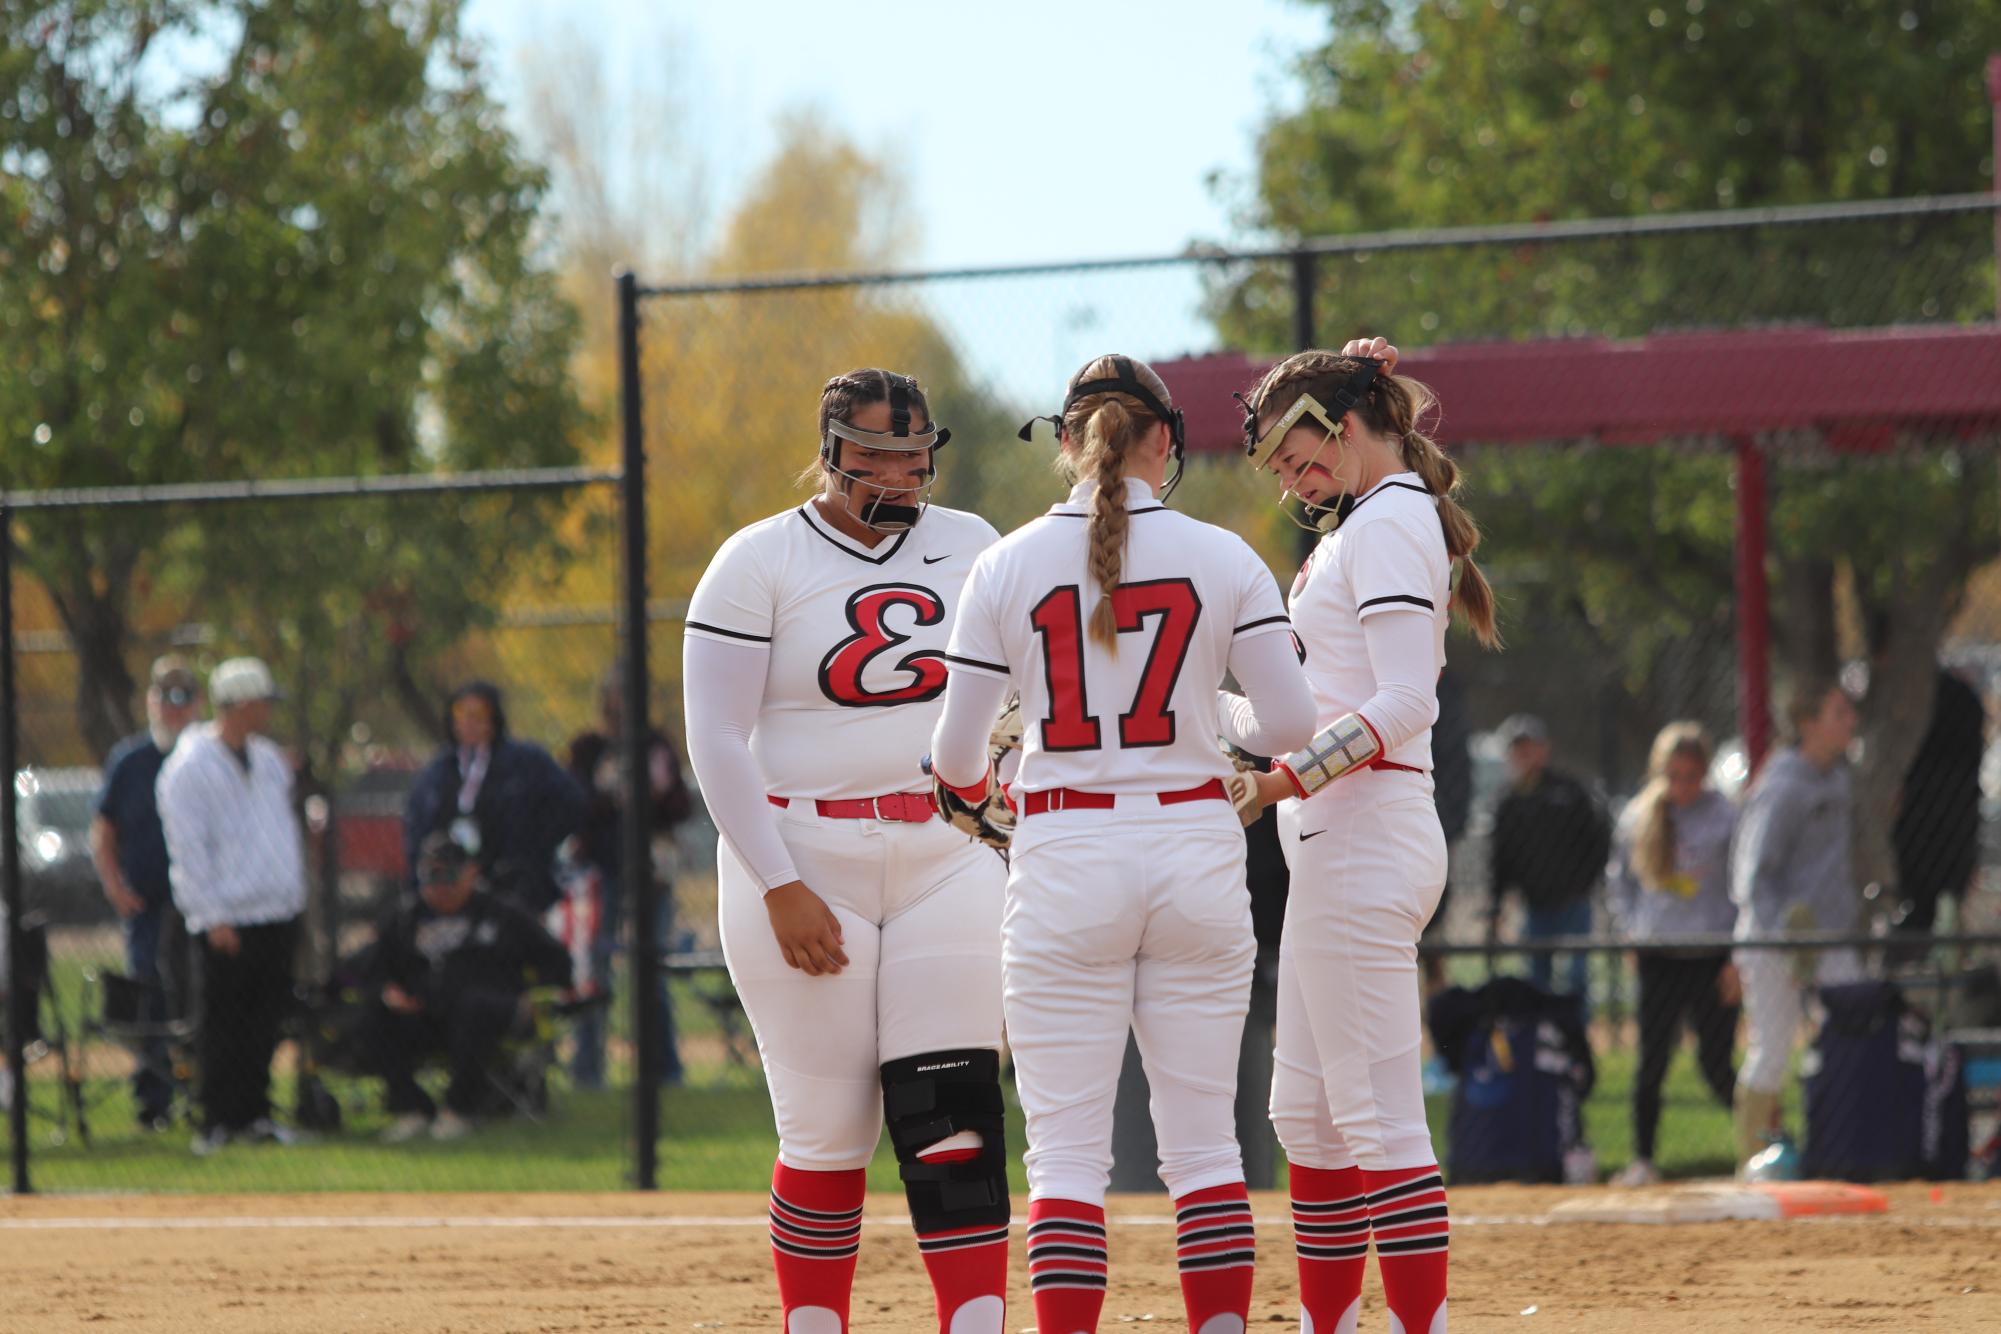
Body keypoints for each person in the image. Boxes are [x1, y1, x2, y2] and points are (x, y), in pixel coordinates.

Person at [930, 353, 1316, 1334]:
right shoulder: (1225, 554)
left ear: (1066, 444)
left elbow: (954, 755)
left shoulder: (1004, 562)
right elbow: (1289, 724)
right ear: (1165, 444)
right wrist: (1205, 709)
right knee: (1206, 1150)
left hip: (1064, 851)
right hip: (1193, 842)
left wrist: (996, 794)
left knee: (1065, 1157)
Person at [683, 369, 1012, 1334]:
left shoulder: (972, 544)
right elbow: (714, 735)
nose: (900, 474)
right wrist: (777, 883)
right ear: (830, 450)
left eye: (914, 456)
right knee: (828, 1133)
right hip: (802, 847)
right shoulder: (757, 560)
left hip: (948, 847)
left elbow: (1016, 697)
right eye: (875, 455)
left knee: (951, 1111)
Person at [1232, 337, 1499, 1334]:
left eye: (1299, 457)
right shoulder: (1375, 520)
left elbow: (1402, 701)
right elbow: (1305, 707)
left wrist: (1282, 778)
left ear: (1344, 427)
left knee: (1377, 1114)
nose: (1295, 482)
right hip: (1340, 839)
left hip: (1363, 832)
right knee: (1306, 1115)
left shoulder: (1388, 520)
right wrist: (1186, 710)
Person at [156, 657, 307, 1155]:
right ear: (240, 705)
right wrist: (211, 914)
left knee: (265, 1022)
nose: (268, 711)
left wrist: (293, 897)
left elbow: (282, 831)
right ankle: (217, 1120)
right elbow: (188, 850)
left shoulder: (267, 759)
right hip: (224, 917)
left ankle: (257, 1115)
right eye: (262, 702)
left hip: (275, 912)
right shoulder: (189, 766)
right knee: (221, 1023)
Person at [360, 832, 574, 1142]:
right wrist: (388, 993)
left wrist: (534, 997)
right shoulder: (406, 917)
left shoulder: (502, 913)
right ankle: (413, 1109)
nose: (439, 886)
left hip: (489, 1016)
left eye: (448, 875)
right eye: (430, 877)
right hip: (426, 1014)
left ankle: (458, 1111)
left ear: (471, 873)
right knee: (373, 1016)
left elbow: (556, 960)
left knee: (474, 1006)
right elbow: (372, 970)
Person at [1730, 676, 1863, 1172]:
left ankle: (1839, 1148)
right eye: (1838, 714)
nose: (1850, 723)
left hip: (1830, 935)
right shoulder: (1782, 785)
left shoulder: (1838, 778)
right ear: (1808, 725)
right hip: (1773, 940)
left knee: (1848, 1036)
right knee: (1773, 1046)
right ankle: (1750, 1161)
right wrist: (1784, 942)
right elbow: (1752, 876)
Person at [1605, 722, 1739, 1187]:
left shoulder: (1725, 816)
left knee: (1716, 1063)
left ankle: (1762, 1146)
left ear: (1704, 773)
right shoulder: (1638, 816)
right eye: (1673, 774)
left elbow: (1742, 890)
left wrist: (1736, 957)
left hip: (1710, 956)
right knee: (1652, 1061)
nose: (1682, 784)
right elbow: (1619, 884)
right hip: (1658, 954)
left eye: (1691, 774)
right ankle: (1643, 1158)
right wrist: (1631, 934)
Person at [565, 670, 694, 1089]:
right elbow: (576, 803)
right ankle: (588, 1069)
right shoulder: (589, 748)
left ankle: (665, 1069)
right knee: (595, 969)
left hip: (651, 873)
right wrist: (609, 796)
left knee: (652, 970)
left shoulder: (656, 746)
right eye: (615, 697)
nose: (622, 705)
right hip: (603, 872)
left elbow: (680, 805)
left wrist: (655, 792)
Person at [90, 655, 203, 1128]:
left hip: (199, 903)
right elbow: (103, 828)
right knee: (148, 995)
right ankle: (152, 1101)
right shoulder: (131, 760)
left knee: (198, 996)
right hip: (147, 902)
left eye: (183, 698)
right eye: (164, 697)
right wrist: (114, 885)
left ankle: (202, 1093)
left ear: (196, 704)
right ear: (150, 701)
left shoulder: (203, 756)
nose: (172, 708)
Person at [403, 681, 585, 915]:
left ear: (493, 718)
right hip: (451, 886)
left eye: (478, 714)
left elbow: (571, 802)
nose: (468, 721)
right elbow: (417, 824)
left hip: (512, 884)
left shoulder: (524, 761)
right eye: (461, 713)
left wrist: (533, 849)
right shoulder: (439, 770)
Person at [1488, 713, 1611, 1002]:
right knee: (1536, 981)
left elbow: (1597, 840)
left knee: (1576, 979)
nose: (1525, 755)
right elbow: (1500, 860)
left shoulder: (1568, 790)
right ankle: (1542, 1043)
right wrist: (1496, 905)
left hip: (1574, 902)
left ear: (1545, 749)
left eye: (1531, 747)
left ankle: (1575, 1042)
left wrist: (1587, 882)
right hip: (1535, 904)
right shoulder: (1508, 802)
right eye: (1519, 749)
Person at [1892, 667, 1985, 940]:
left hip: (1929, 831)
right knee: (1940, 913)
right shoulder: (1956, 695)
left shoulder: (1927, 697)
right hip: (1951, 829)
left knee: (1930, 914)